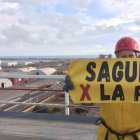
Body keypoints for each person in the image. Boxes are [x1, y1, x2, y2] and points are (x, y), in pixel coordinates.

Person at [63, 37, 140, 140]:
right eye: (123, 56)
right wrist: (75, 87)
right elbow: (88, 99)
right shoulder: (104, 76)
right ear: (117, 58)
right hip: (108, 135)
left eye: (131, 55)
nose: (127, 59)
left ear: (136, 57)